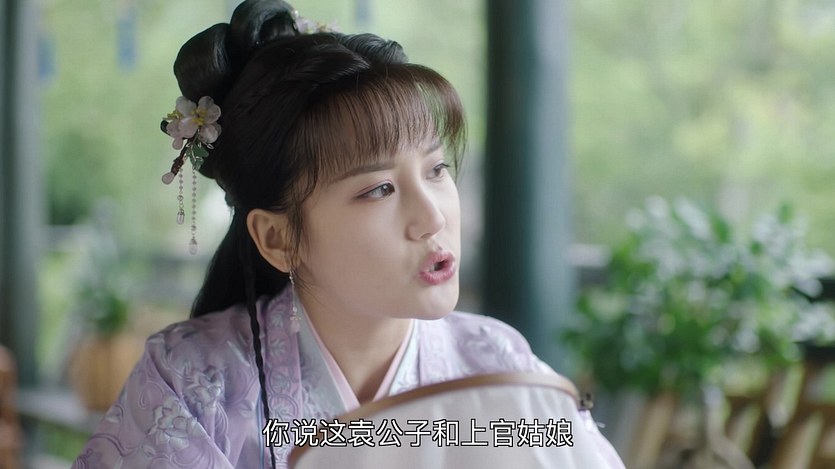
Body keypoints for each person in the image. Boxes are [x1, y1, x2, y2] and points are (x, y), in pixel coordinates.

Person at [73, 1, 624, 468]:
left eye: (436, 170)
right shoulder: (196, 383)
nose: (432, 217)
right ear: (278, 238)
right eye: (379, 189)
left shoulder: (498, 363)